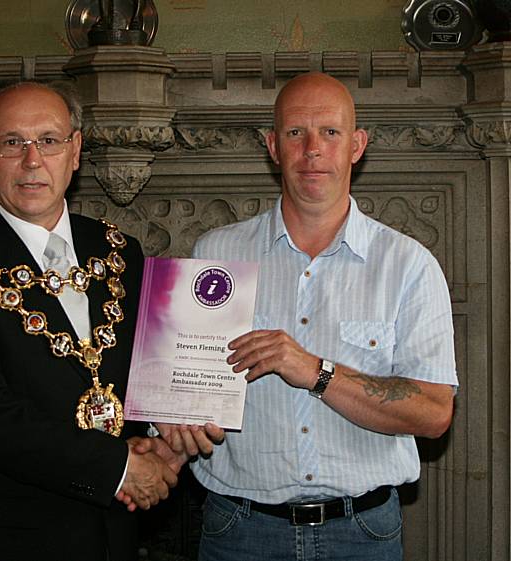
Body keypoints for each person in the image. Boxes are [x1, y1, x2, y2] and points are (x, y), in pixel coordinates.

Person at [0, 79, 184, 561]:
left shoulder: (119, 251)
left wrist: (167, 439)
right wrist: (120, 467)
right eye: (12, 142)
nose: (32, 160)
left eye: (49, 141)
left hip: (110, 534)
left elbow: (146, 375)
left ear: (75, 151)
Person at [185, 72, 457, 561]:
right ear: (273, 146)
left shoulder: (408, 265)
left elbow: (435, 413)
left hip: (362, 535)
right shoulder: (217, 253)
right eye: (295, 132)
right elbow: (187, 393)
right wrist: (158, 441)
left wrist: (313, 370)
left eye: (329, 132)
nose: (312, 149)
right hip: (239, 532)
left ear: (357, 145)